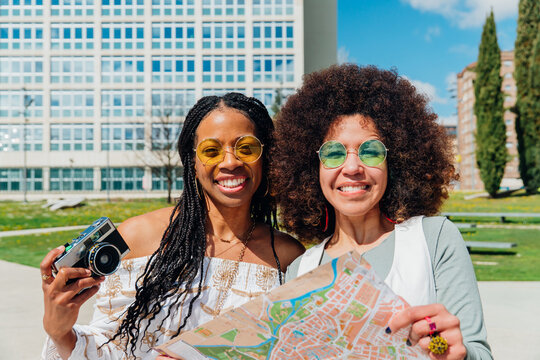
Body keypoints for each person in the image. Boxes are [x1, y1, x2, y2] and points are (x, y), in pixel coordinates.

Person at [40, 92, 305, 359]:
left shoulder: (287, 257)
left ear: (266, 156)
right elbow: (109, 347)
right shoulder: (137, 237)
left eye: (246, 148)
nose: (230, 162)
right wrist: (60, 332)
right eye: (211, 151)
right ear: (193, 161)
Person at [271, 64, 492, 359]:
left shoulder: (434, 239)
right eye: (334, 153)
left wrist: (459, 354)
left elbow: (477, 351)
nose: (352, 168)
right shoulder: (301, 269)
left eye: (371, 151)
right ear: (313, 168)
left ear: (396, 162)